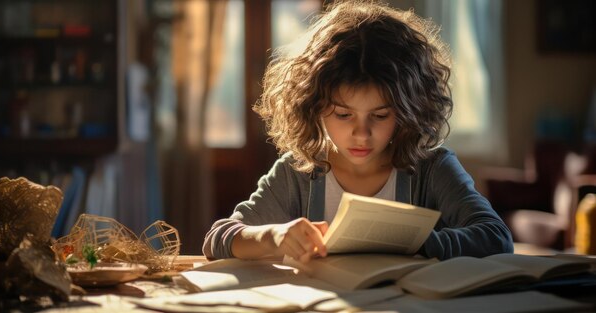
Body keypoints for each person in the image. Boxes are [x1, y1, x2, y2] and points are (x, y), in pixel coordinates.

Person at [203, 0, 513, 262]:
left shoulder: (432, 169)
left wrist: (415, 242)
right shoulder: (298, 173)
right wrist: (275, 235)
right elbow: (218, 239)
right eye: (343, 114)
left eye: (379, 115)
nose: (361, 134)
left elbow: (497, 238)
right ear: (314, 107)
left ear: (408, 111)